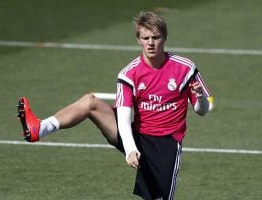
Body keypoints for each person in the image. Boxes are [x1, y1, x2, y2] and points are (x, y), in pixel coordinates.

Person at [16, 11, 210, 200]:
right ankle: (40, 128)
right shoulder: (129, 74)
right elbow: (124, 118)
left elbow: (202, 111)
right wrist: (131, 148)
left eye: (155, 37)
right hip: (137, 135)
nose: (150, 43)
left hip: (166, 143)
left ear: (164, 38)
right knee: (89, 102)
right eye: (145, 38)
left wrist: (199, 98)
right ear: (138, 40)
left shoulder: (185, 68)